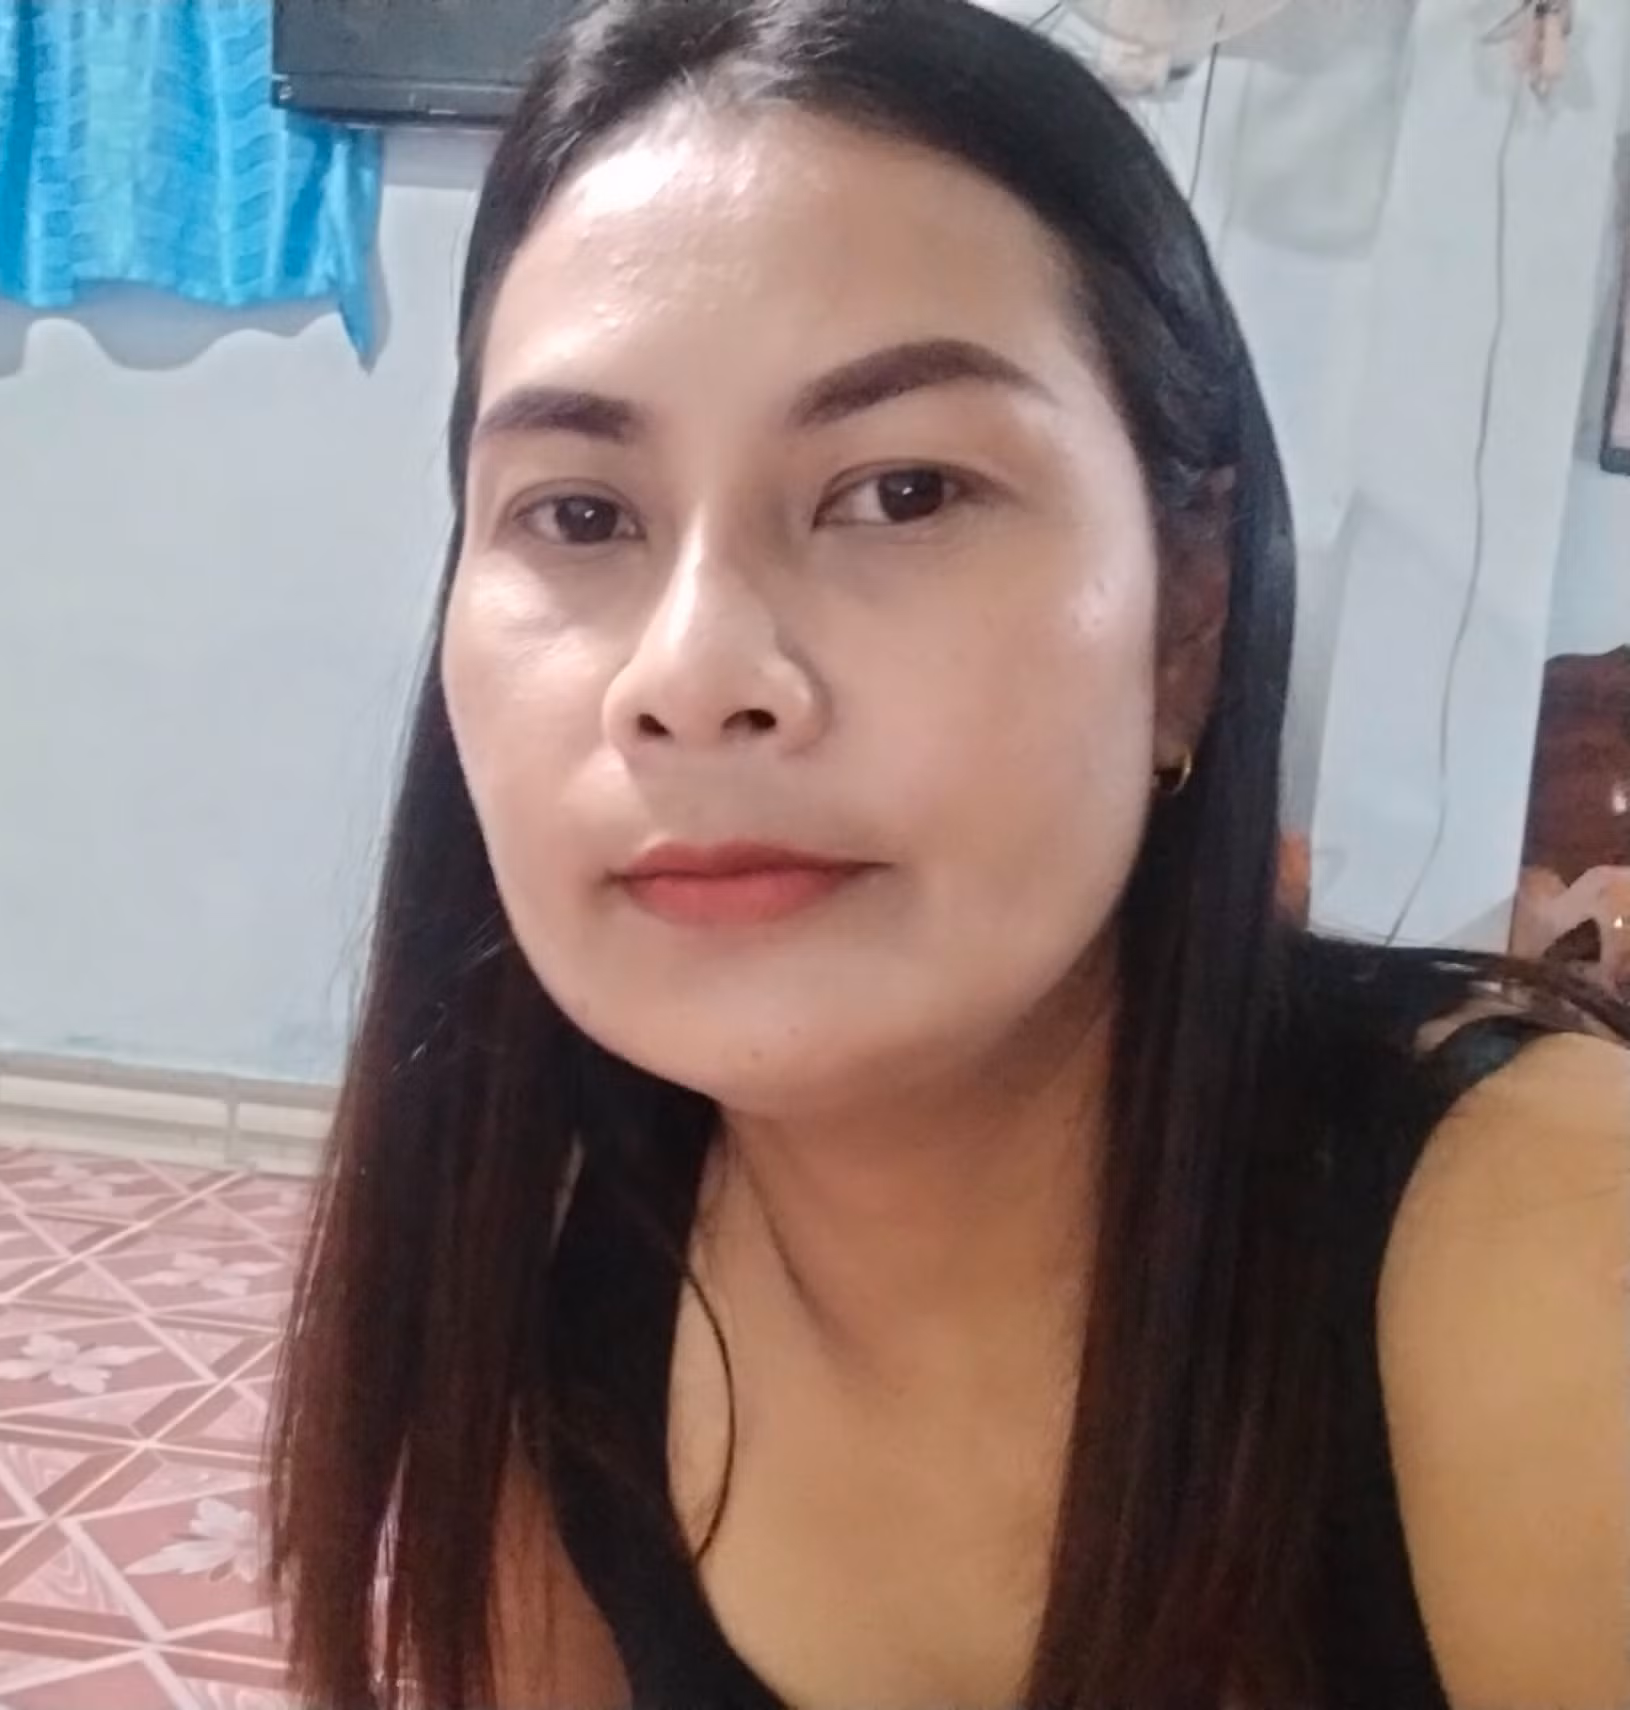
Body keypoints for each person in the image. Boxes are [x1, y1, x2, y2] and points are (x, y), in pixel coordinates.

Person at [268, 3, 1630, 1705]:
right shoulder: (550, 1267)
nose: (692, 674)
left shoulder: (1552, 1270)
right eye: (581, 514)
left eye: (901, 490)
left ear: (1186, 615)